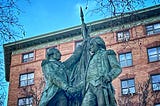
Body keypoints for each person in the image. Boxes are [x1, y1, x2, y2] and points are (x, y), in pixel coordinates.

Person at [81, 36, 122, 106]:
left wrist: (108, 77)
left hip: (101, 84)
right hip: (89, 86)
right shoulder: (90, 59)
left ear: (98, 44)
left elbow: (117, 68)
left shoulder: (107, 53)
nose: (90, 47)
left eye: (92, 44)